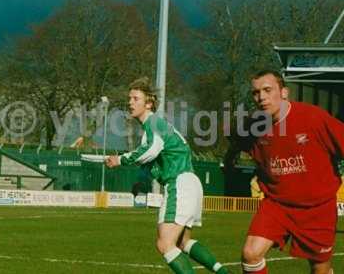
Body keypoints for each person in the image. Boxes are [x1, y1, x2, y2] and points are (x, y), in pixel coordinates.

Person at [106, 77, 229, 274]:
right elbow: (154, 158)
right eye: (129, 98)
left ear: (149, 103)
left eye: (135, 98)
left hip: (179, 183)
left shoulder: (153, 124)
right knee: (182, 242)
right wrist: (141, 181)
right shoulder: (159, 126)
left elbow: (149, 151)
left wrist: (120, 160)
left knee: (165, 244)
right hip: (191, 182)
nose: (130, 102)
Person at [233, 70, 344, 274]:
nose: (262, 97)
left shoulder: (313, 117)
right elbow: (239, 144)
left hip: (317, 209)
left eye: (267, 90)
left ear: (284, 92)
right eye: (256, 93)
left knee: (320, 268)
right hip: (277, 204)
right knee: (250, 254)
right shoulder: (253, 127)